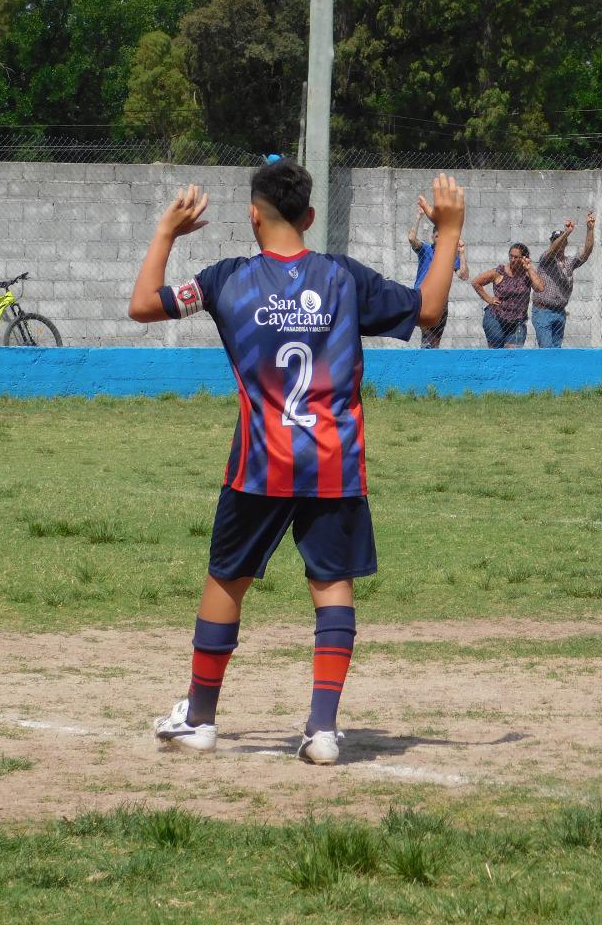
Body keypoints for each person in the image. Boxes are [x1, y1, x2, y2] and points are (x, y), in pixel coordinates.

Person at [127, 161, 465, 765]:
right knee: (331, 584)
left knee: (226, 579)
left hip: (260, 464)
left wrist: (166, 234)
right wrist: (449, 230)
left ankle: (200, 718)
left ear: (252, 215)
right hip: (333, 463)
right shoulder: (343, 278)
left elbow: (142, 306)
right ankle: (323, 731)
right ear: (310, 218)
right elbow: (431, 309)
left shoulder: (224, 279)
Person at [407, 206, 469, 348]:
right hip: (423, 296)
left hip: (441, 299)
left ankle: (430, 359)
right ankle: (425, 355)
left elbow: (463, 275)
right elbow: (411, 238)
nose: (440, 239)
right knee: (426, 338)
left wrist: (462, 253)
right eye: (437, 236)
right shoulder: (425, 249)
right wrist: (418, 217)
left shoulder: (451, 254)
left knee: (435, 342)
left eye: (443, 236)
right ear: (433, 237)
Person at [533, 212, 596, 348]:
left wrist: (590, 229)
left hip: (560, 312)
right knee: (546, 350)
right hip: (543, 311)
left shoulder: (569, 262)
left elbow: (587, 252)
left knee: (556, 352)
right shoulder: (546, 259)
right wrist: (566, 233)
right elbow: (553, 249)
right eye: (555, 240)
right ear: (552, 242)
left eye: (562, 241)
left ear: (566, 243)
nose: (559, 243)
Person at [472, 243, 543, 348]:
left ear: (524, 258)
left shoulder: (527, 274)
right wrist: (489, 299)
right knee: (496, 353)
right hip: (496, 318)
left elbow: (539, 288)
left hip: (517, 322)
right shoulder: (499, 272)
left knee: (513, 355)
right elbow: (476, 282)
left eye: (516, 257)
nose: (512, 259)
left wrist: (529, 268)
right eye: (511, 256)